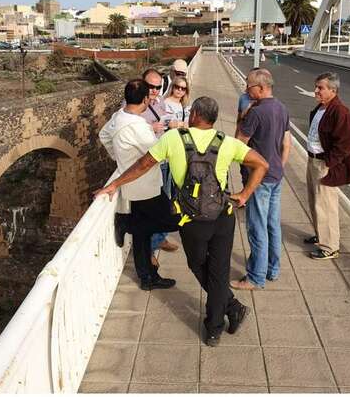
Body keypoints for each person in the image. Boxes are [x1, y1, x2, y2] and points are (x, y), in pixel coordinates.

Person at [94, 96, 270, 346]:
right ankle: (215, 328)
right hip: (222, 217)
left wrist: (114, 184)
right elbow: (262, 164)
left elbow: (143, 165)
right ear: (214, 118)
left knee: (198, 265)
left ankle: (231, 308)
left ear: (195, 114)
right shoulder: (227, 142)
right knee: (218, 272)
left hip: (191, 220)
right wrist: (244, 194)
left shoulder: (173, 139)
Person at [98, 79, 180, 290]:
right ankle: (127, 224)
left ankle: (148, 278)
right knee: (173, 222)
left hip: (132, 186)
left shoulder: (118, 117)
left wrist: (120, 159)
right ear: (145, 99)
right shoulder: (137, 126)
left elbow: (103, 135)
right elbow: (157, 154)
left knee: (143, 237)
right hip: (146, 186)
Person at [231, 69, 291, 290]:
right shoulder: (281, 108)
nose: (247, 89)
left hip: (259, 178)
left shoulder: (255, 112)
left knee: (257, 228)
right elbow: (286, 143)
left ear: (261, 88)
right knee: (273, 224)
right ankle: (272, 269)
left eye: (249, 86)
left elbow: (238, 144)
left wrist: (242, 117)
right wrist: (279, 166)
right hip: (276, 175)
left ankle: (255, 278)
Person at [304, 72, 350, 259]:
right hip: (313, 160)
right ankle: (321, 235)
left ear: (333, 90)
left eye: (320, 88)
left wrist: (329, 163)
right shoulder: (321, 108)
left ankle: (330, 246)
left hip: (324, 163)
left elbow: (347, 143)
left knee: (326, 205)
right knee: (315, 201)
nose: (316, 91)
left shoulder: (340, 111)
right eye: (316, 87)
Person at [140, 68, 178, 257]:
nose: (155, 90)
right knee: (155, 205)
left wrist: (170, 124)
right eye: (151, 87)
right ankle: (150, 250)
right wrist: (150, 127)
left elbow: (164, 122)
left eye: (158, 87)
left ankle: (159, 238)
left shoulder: (160, 100)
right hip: (150, 160)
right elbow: (127, 126)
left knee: (166, 199)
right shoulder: (134, 103)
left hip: (165, 157)